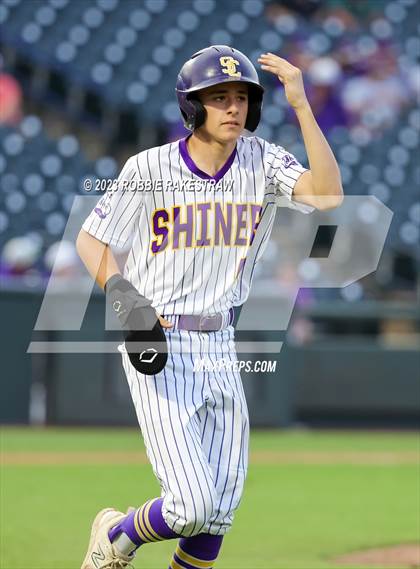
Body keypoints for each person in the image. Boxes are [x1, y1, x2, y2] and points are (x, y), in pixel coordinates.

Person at [76, 45, 343, 569]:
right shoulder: (148, 167)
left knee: (219, 511)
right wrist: (123, 294)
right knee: (191, 505)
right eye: (218, 98)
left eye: (241, 97)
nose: (233, 108)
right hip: (161, 340)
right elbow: (92, 240)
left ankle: (121, 540)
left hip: (221, 342)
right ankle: (117, 535)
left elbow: (328, 196)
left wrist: (302, 106)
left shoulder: (263, 161)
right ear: (192, 106)